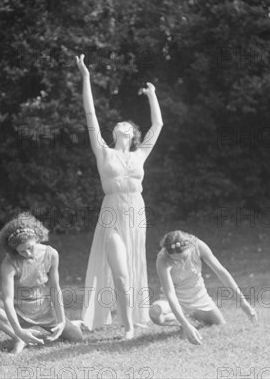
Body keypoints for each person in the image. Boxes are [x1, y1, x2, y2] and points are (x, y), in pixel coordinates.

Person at [75, 54, 163, 339]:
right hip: (112, 212)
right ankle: (126, 327)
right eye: (118, 124)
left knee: (135, 263)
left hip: (136, 212)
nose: (121, 125)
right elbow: (90, 116)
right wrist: (86, 77)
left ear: (133, 134)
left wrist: (152, 96)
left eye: (127, 125)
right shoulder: (104, 151)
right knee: (120, 272)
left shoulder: (140, 154)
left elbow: (158, 126)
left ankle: (132, 319)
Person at [0, 212, 83, 355]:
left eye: (30, 247)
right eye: (22, 251)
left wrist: (61, 320)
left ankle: (73, 323)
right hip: (18, 311)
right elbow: (8, 300)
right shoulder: (9, 263)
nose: (28, 254)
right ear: (14, 250)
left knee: (76, 337)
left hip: (44, 308)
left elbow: (54, 288)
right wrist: (18, 331)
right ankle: (19, 339)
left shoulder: (51, 254)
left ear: (37, 238)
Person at [150, 230, 258, 345]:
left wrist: (243, 302)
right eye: (175, 259)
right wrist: (185, 325)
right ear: (168, 253)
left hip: (198, 297)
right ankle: (184, 320)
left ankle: (190, 316)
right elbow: (170, 293)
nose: (180, 262)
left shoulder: (198, 245)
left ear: (190, 247)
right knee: (155, 313)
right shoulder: (162, 259)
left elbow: (221, 272)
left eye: (183, 257)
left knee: (219, 323)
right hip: (176, 298)